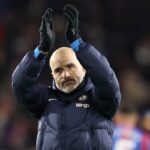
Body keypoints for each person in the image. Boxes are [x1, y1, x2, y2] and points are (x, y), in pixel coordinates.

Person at [11, 4, 121, 150]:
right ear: (52, 75)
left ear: (83, 67)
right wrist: (41, 51)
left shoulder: (99, 99)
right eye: (58, 70)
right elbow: (20, 86)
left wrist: (78, 45)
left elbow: (107, 79)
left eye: (70, 66)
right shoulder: (44, 100)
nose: (66, 74)